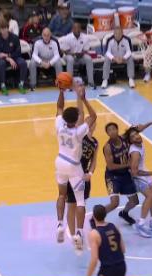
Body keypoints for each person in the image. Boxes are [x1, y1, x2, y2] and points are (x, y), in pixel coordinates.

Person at [55, 82, 97, 250]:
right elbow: (93, 116)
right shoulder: (79, 132)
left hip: (59, 162)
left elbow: (59, 106)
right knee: (80, 201)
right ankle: (79, 232)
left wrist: (61, 91)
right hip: (74, 166)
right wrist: (84, 99)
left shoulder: (59, 124)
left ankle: (59, 224)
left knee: (61, 195)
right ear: (76, 120)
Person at [65, 90, 98, 249]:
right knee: (71, 205)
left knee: (81, 204)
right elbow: (87, 114)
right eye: (87, 121)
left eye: (92, 122)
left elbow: (94, 161)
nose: (91, 123)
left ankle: (78, 232)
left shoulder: (95, 142)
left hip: (83, 176)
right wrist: (81, 98)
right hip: (71, 173)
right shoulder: (79, 133)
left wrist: (90, 173)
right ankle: (73, 236)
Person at [126, 124, 152, 238]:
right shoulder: (135, 152)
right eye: (133, 136)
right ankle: (140, 223)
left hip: (143, 172)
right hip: (137, 177)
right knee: (150, 196)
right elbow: (134, 172)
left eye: (136, 134)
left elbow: (139, 128)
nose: (136, 136)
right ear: (130, 141)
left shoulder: (139, 141)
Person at [102, 122, 139, 225]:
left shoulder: (124, 139)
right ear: (107, 133)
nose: (112, 131)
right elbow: (111, 166)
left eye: (114, 129)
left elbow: (137, 130)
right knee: (114, 203)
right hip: (112, 177)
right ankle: (96, 217)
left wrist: (150, 123)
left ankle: (124, 213)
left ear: (117, 130)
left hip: (125, 175)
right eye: (109, 130)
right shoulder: (108, 147)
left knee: (134, 201)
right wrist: (128, 164)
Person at [0, 21, 27, 95]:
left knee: (23, 63)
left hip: (14, 56)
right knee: (1, 64)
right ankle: (2, 85)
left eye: (5, 28)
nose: (4, 30)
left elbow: (18, 51)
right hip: (3, 59)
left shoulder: (14, 37)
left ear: (8, 28)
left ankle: (21, 84)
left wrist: (9, 57)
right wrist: (9, 59)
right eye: (2, 29)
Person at [62, 23, 94, 88]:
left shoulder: (85, 37)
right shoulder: (67, 37)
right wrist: (74, 54)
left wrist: (81, 53)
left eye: (78, 28)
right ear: (72, 29)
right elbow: (65, 51)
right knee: (70, 59)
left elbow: (86, 49)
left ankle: (91, 82)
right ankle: (69, 84)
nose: (77, 30)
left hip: (81, 56)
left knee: (88, 59)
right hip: (69, 55)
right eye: (75, 28)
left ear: (81, 29)